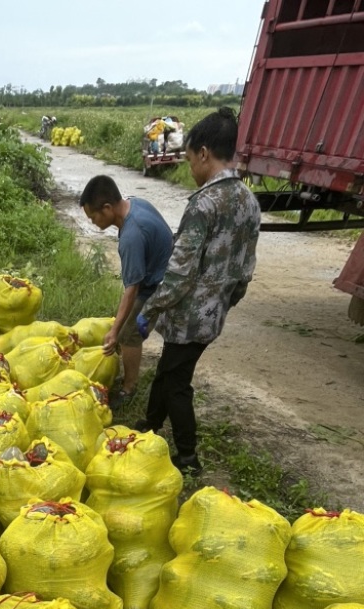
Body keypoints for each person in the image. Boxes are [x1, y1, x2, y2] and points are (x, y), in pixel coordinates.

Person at [134, 107, 261, 474]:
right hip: (214, 313)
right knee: (169, 368)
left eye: (190, 160)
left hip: (188, 315)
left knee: (177, 382)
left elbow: (179, 272)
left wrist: (151, 309)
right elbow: (246, 268)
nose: (190, 169)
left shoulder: (204, 204)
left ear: (204, 153)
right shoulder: (248, 201)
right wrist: (226, 302)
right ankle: (150, 425)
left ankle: (187, 456)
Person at [80, 174, 173, 404]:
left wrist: (115, 331)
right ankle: (122, 361)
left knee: (129, 333)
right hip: (163, 268)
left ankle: (128, 389)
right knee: (123, 324)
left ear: (108, 208)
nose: (93, 222)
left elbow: (132, 290)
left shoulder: (131, 236)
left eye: (93, 217)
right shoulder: (135, 203)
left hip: (161, 284)